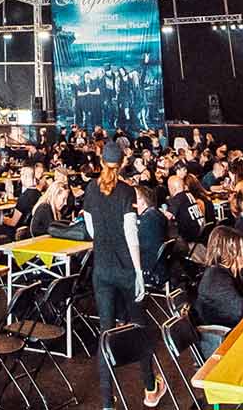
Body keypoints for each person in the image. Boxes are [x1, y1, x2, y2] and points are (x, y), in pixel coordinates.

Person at [81, 141, 164, 407]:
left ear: (100, 161)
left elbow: (91, 229)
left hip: (102, 269)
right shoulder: (127, 191)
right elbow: (131, 234)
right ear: (123, 163)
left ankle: (107, 402)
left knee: (105, 333)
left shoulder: (91, 188)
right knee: (139, 327)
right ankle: (150, 388)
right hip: (126, 269)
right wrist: (139, 271)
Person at [193, 226, 243, 357]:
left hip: (240, 331)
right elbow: (240, 309)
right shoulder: (215, 278)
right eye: (239, 249)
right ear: (226, 252)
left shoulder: (233, 272)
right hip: (224, 343)